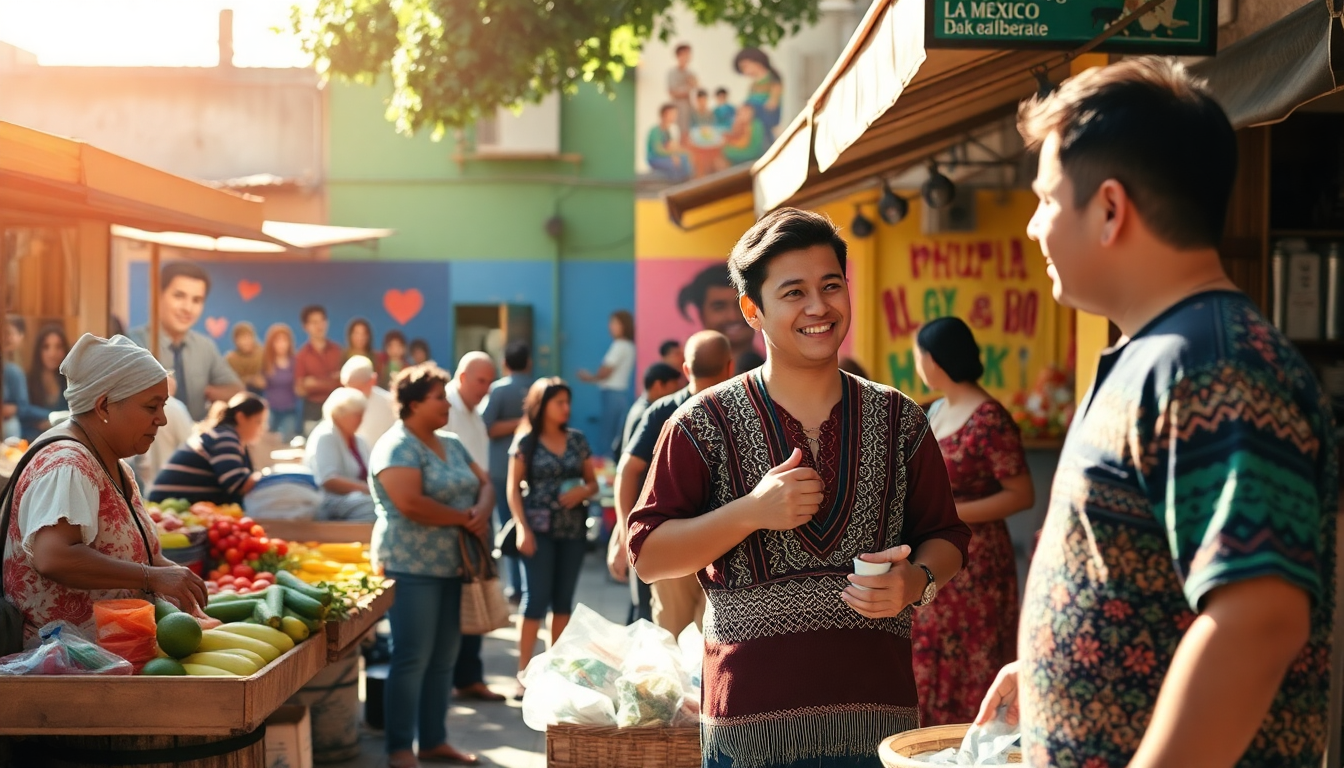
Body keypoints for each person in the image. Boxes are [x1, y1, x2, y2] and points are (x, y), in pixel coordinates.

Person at [975, 59, 1339, 768]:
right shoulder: (1164, 354)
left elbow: (1258, 621)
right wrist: (1048, 673)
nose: (1032, 225)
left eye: (1047, 199)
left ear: (1110, 209)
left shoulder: (1216, 366)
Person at [628, 208, 970, 768]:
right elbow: (648, 554)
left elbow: (947, 535)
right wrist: (750, 512)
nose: (819, 307)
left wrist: (918, 580)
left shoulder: (900, 418)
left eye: (831, 285)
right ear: (753, 310)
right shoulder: (699, 423)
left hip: (876, 725)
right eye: (794, 292)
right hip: (751, 732)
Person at [3, 334, 207, 644]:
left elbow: (126, 553)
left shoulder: (111, 460)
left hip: (115, 654)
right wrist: (153, 577)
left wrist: (174, 577)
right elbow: (53, 556)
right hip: (64, 663)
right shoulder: (68, 465)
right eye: (152, 406)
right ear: (104, 406)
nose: (162, 420)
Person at [909, 317, 1034, 727]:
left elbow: (1022, 494)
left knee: (971, 658)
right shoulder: (934, 409)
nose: (918, 364)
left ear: (935, 360)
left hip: (978, 565)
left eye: (919, 356)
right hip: (934, 555)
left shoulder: (989, 418)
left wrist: (949, 510)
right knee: (930, 656)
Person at [370, 364, 493, 768]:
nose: (446, 404)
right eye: (439, 397)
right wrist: (463, 518)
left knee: (445, 656)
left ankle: (434, 740)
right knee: (412, 656)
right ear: (412, 404)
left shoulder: (453, 442)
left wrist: (480, 510)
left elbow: (486, 481)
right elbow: (409, 503)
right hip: (410, 566)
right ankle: (400, 748)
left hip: (453, 566)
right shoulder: (396, 446)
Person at [613, 331, 733, 637]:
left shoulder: (663, 410)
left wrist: (628, 531)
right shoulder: (738, 410)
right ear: (730, 367)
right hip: (726, 545)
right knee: (713, 643)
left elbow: (627, 471)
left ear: (685, 369)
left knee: (672, 642)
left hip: (670, 543)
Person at [507, 377, 598, 700]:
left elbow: (593, 483)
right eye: (559, 402)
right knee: (535, 600)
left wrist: (582, 492)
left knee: (562, 602)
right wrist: (522, 528)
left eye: (567, 402)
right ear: (541, 405)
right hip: (538, 530)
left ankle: (555, 670)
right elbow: (513, 490)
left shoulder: (577, 440)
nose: (566, 408)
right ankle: (523, 673)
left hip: (572, 530)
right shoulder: (525, 443)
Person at [442, 352, 507, 704]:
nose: (486, 389)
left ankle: (469, 676)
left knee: (476, 594)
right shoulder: (447, 408)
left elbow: (480, 468)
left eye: (489, 381)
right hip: (460, 516)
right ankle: (460, 677)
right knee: (460, 599)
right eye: (481, 381)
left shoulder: (473, 413)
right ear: (463, 376)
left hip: (478, 512)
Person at [612, 361, 683, 625]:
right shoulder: (652, 412)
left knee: (641, 607)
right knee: (644, 608)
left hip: (641, 518)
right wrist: (623, 532)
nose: (677, 392)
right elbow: (628, 470)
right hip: (644, 519)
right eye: (673, 387)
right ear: (658, 386)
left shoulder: (644, 409)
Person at [130, 261, 242, 421]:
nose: (187, 308)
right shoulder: (133, 343)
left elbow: (237, 389)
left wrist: (210, 392)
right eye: (179, 296)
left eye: (196, 300)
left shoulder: (205, 347)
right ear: (158, 295)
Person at [480, 341, 533, 602]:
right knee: (526, 524)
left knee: (509, 526)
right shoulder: (536, 390)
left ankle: (516, 587)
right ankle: (527, 585)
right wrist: (521, 424)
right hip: (529, 470)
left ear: (504, 365)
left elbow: (486, 427)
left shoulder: (499, 390)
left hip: (502, 468)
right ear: (529, 363)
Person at [149, 393, 267, 506]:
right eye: (258, 422)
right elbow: (238, 484)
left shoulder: (227, 437)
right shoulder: (224, 437)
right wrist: (268, 477)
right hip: (169, 507)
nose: (262, 429)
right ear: (241, 417)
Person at [305, 387, 376, 522]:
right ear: (339, 413)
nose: (361, 419)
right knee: (371, 508)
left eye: (362, 414)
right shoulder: (326, 436)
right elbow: (328, 479)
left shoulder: (359, 440)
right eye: (356, 414)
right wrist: (366, 489)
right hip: (329, 502)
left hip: (356, 499)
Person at [577, 310, 637, 460]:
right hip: (620, 394)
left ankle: (606, 470)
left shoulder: (620, 345)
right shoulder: (629, 345)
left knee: (607, 438)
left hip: (613, 394)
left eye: (615, 323)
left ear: (624, 325)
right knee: (614, 435)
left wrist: (589, 377)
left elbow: (605, 372)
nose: (611, 327)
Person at [679, 264, 758, 356]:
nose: (733, 317)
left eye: (741, 305)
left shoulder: (776, 368)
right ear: (701, 313)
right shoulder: (677, 369)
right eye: (719, 307)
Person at [138, 375, 194, 495]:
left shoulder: (139, 407)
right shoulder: (177, 408)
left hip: (146, 484)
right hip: (173, 484)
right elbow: (189, 447)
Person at [615, 363, 682, 461]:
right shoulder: (649, 414)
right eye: (674, 389)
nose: (675, 395)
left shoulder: (638, 406)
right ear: (658, 385)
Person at [295, 305, 344, 433]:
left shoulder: (337, 351)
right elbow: (300, 389)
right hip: (313, 411)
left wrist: (314, 383)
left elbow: (343, 382)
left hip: (338, 408)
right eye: (314, 322)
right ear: (305, 327)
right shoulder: (302, 356)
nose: (319, 326)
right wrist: (330, 381)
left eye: (322, 321)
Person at [22, 324, 69, 439]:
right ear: (38, 351)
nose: (52, 353)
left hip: (63, 440)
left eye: (58, 347)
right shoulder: (28, 380)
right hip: (31, 440)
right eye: (46, 347)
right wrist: (55, 418)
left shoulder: (70, 381)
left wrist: (52, 422)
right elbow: (23, 410)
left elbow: (75, 414)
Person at [341, 356, 398, 450]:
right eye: (347, 387)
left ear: (373, 380)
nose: (351, 393)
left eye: (358, 388)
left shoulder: (390, 405)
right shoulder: (338, 404)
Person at [3, 316, 43, 441]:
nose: (6, 338)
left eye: (10, 333)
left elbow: (22, 408)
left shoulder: (19, 368)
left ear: (21, 336)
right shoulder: (12, 369)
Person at [262, 323, 302, 443]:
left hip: (289, 410)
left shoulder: (295, 361)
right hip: (271, 410)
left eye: (285, 341)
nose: (281, 345)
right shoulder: (266, 361)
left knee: (286, 442)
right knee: (267, 442)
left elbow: (299, 387)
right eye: (277, 341)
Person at [734, 47, 783, 138]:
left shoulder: (773, 81)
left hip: (766, 121)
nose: (745, 72)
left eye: (745, 67)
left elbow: (772, 106)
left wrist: (752, 110)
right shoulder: (753, 85)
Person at [647, 104, 691, 181]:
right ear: (664, 115)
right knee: (674, 164)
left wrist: (685, 152)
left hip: (665, 157)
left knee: (684, 158)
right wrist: (673, 156)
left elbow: (672, 146)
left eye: (675, 114)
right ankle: (676, 184)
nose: (675, 116)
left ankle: (685, 182)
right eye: (672, 114)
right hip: (655, 158)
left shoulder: (667, 131)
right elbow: (658, 150)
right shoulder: (655, 131)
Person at [225, 322, 266, 396]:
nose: (245, 342)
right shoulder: (231, 359)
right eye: (241, 338)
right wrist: (249, 380)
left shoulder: (263, 355)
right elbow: (228, 382)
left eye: (248, 337)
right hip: (239, 398)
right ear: (235, 341)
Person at [667, 43, 698, 141]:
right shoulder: (672, 73)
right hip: (678, 108)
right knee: (678, 135)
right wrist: (688, 87)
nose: (688, 57)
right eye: (685, 54)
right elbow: (672, 92)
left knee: (688, 134)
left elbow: (696, 87)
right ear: (679, 55)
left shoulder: (690, 73)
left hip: (689, 109)